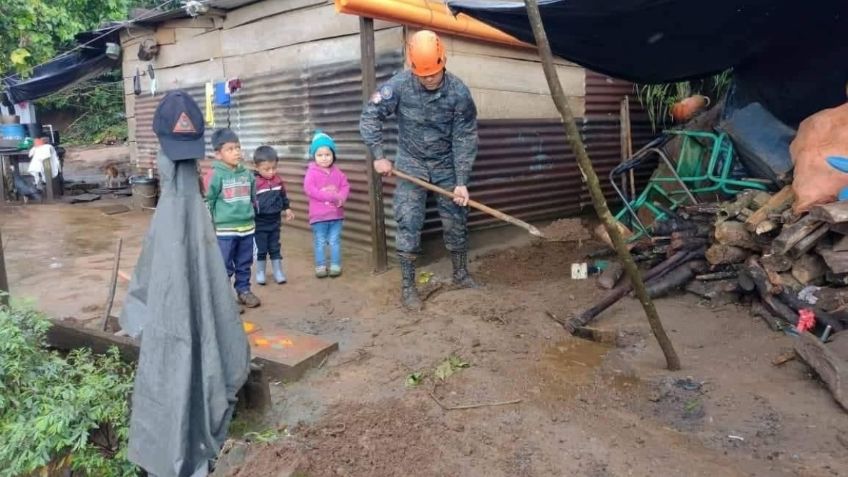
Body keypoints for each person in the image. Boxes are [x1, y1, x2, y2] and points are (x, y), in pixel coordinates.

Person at [360, 29, 479, 311]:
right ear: (412, 66)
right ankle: (408, 287)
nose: (428, 78)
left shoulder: (459, 92)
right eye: (422, 74)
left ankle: (460, 274)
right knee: (408, 221)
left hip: (446, 164)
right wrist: (379, 155)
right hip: (411, 164)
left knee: (456, 218)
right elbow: (369, 117)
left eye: (433, 73)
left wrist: (461, 181)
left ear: (443, 61)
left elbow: (465, 137)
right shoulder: (399, 86)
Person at [203, 128, 261, 308]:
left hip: (247, 228)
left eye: (238, 147)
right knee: (224, 265)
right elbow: (209, 201)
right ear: (218, 154)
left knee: (244, 263)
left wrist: (253, 215)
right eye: (230, 149)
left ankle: (244, 291)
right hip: (225, 231)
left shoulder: (247, 174)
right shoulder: (214, 175)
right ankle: (224, 299)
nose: (236, 152)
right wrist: (209, 226)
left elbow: (253, 198)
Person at [303, 131, 350, 278]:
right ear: (314, 156)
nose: (324, 158)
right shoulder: (312, 172)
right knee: (320, 242)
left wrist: (341, 197)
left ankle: (335, 265)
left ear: (333, 155)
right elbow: (310, 189)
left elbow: (345, 186)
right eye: (320, 155)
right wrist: (330, 196)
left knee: (335, 241)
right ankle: (321, 266)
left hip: (336, 215)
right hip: (318, 216)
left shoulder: (338, 172)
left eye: (327, 154)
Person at [253, 145, 295, 285]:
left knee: (275, 246)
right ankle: (260, 272)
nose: (271, 172)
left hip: (275, 221)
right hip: (259, 222)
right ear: (256, 167)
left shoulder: (278, 181)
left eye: (274, 168)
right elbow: (249, 202)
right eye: (267, 169)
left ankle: (278, 271)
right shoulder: (254, 183)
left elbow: (283, 196)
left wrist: (287, 209)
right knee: (261, 248)